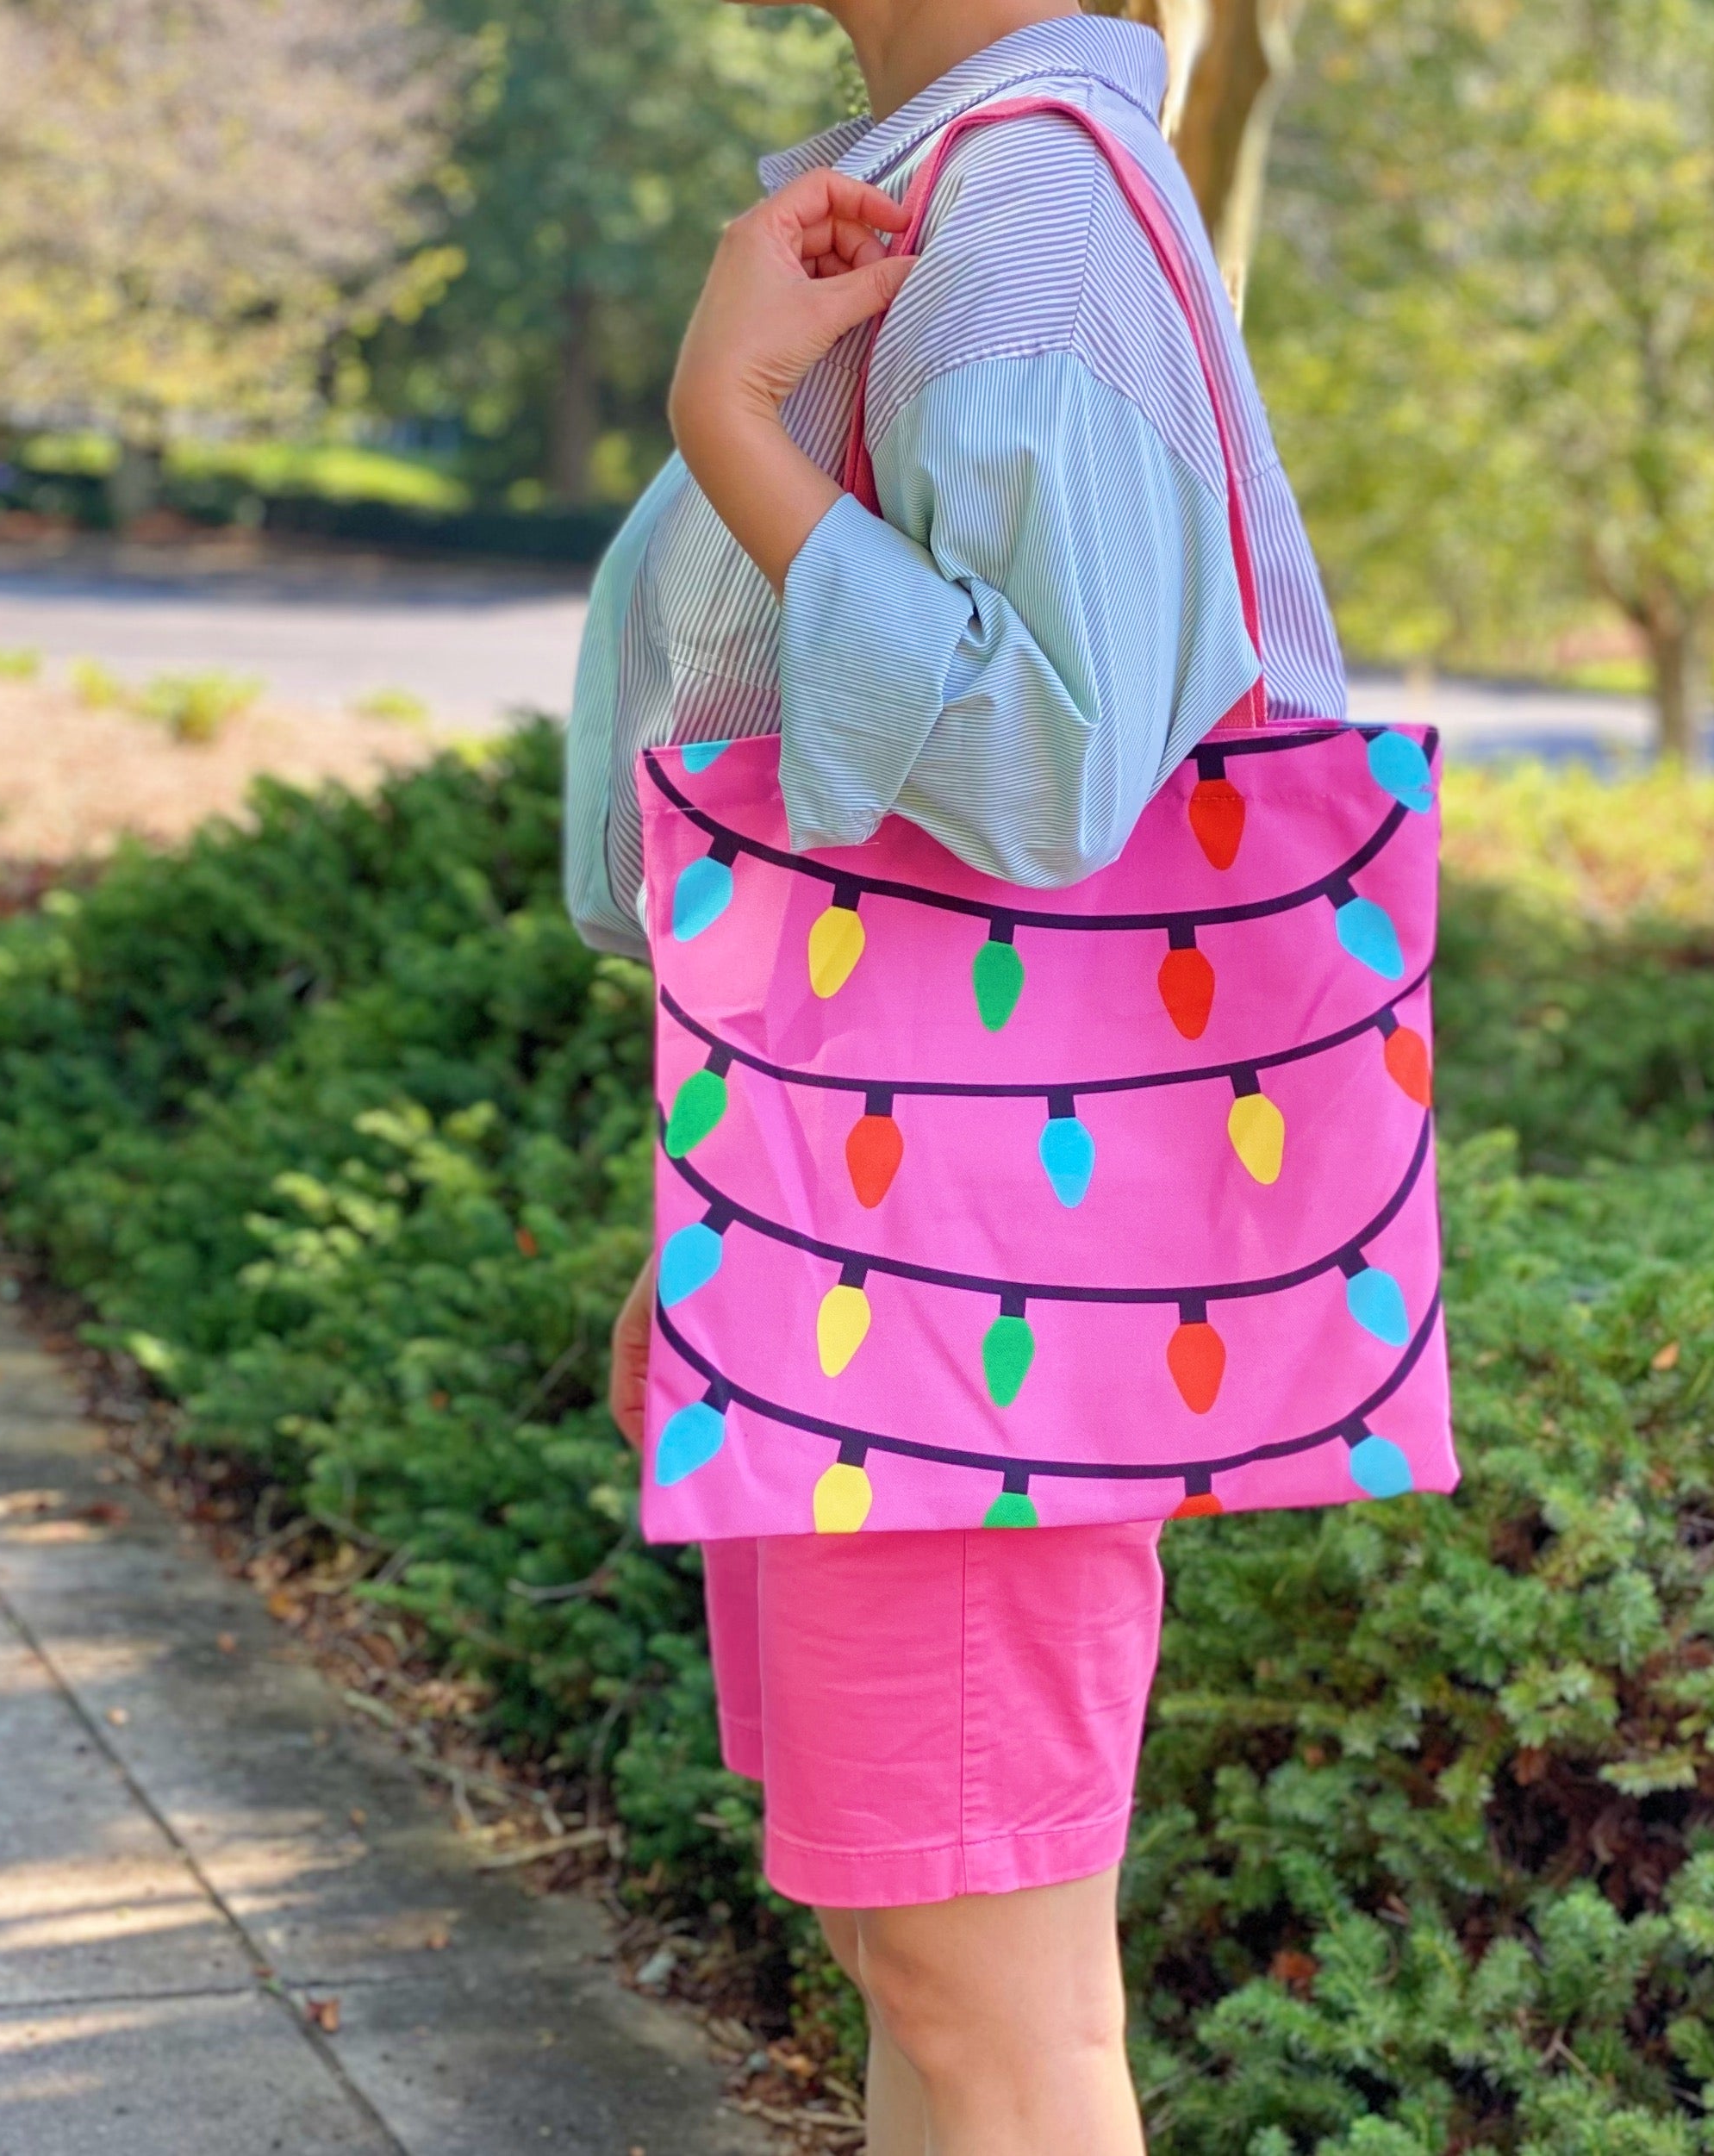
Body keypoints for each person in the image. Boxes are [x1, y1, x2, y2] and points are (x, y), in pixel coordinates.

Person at [573, 2, 1348, 2148]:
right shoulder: (976, 172)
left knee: (986, 1997)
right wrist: (725, 1206)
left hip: (961, 1254)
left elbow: (1036, 765)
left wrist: (730, 412)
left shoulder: (1030, 211)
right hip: (885, 1226)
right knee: (928, 1970)